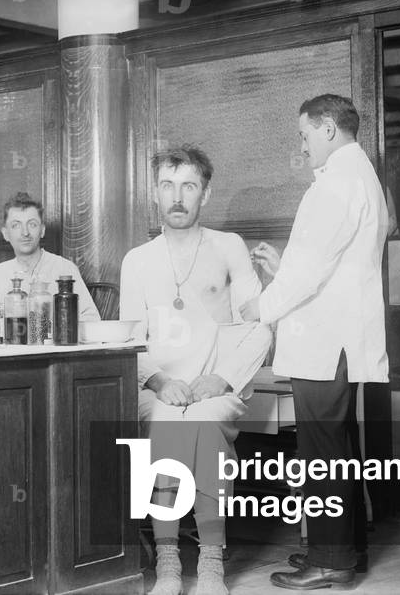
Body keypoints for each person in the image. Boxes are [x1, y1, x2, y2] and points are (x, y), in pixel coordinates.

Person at [241, 94, 389, 590]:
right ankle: (344, 553)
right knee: (336, 448)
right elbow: (331, 266)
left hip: (327, 343)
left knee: (323, 452)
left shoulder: (338, 182)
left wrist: (259, 307)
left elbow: (311, 270)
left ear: (327, 128)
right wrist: (287, 268)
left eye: (304, 134)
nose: (301, 145)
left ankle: (332, 562)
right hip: (338, 335)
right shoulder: (359, 175)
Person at [121, 146, 273, 595]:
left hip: (214, 386)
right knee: (168, 427)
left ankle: (210, 563)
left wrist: (220, 380)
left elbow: (259, 324)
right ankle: (168, 563)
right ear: (155, 194)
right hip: (157, 386)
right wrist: (161, 382)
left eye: (189, 186)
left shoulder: (228, 247)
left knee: (204, 427)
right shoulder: (138, 260)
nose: (178, 197)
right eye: (168, 186)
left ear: (205, 193)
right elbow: (129, 340)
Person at [0, 192, 100, 321]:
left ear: (42, 230)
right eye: (16, 225)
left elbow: (91, 319)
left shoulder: (64, 269)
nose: (25, 233)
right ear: (5, 234)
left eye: (32, 224)